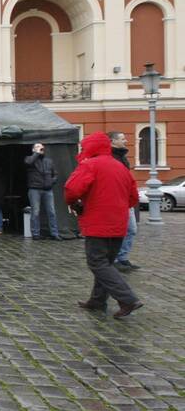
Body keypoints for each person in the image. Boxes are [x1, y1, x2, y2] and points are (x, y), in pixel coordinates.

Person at [67, 132, 143, 318]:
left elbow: (72, 189)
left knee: (97, 262)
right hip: (118, 222)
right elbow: (133, 197)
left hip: (98, 221)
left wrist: (74, 203)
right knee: (106, 262)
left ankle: (127, 299)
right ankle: (97, 300)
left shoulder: (89, 164)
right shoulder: (120, 166)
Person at [108, 132, 140, 271]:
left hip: (126, 199)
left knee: (131, 229)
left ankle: (123, 257)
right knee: (117, 231)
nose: (125, 141)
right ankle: (114, 260)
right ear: (113, 141)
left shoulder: (122, 157)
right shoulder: (109, 157)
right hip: (116, 200)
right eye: (122, 139)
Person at [24, 142, 61, 240]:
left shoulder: (49, 161)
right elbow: (28, 162)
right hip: (34, 189)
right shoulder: (29, 158)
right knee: (35, 212)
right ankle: (35, 234)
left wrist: (51, 182)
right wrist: (36, 153)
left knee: (51, 212)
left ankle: (54, 233)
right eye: (37, 147)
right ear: (33, 149)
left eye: (41, 147)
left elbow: (55, 174)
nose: (40, 148)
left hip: (48, 190)